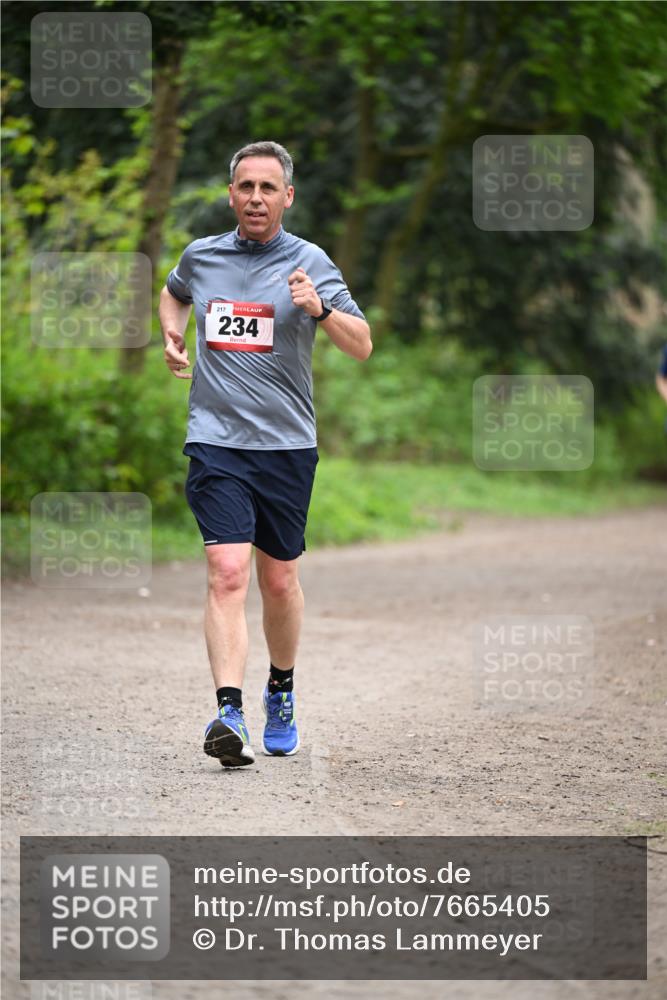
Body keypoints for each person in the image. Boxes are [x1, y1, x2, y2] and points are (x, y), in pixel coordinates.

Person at [158, 141, 372, 767]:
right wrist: (171, 333)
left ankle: (281, 689)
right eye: (245, 187)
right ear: (231, 194)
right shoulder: (202, 256)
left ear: (287, 197)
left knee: (278, 579)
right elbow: (174, 292)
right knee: (227, 573)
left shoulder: (311, 262)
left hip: (286, 448)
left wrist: (322, 308)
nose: (255, 198)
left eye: (267, 188)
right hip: (216, 441)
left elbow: (361, 345)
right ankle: (229, 712)